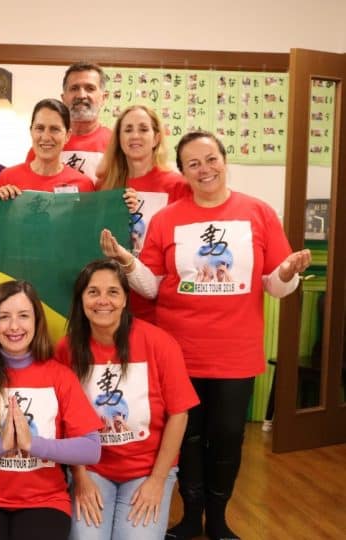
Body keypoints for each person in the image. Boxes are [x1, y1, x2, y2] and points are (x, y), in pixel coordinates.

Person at [99, 131, 312, 540]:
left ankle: (217, 517)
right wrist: (127, 262)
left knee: (228, 437)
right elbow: (151, 285)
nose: (205, 169)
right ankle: (189, 514)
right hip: (179, 351)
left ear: (224, 160)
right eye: (193, 163)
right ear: (183, 172)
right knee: (187, 438)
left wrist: (287, 274)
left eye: (211, 159)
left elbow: (275, 285)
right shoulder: (168, 218)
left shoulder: (259, 213)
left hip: (237, 352)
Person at [0, 280, 102, 540]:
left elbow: (91, 449)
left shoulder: (59, 375)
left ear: (37, 321)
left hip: (45, 501)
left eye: (23, 316)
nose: (14, 326)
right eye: (4, 317)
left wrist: (32, 444)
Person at [54, 259, 198, 540]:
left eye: (113, 292)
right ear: (81, 299)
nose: (102, 301)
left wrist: (157, 481)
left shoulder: (159, 343)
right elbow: (64, 423)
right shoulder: (66, 349)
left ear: (124, 300)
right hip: (92, 469)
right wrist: (80, 478)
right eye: (93, 292)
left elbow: (180, 414)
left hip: (148, 469)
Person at [98, 105, 191, 321]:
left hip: (161, 303)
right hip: (113, 301)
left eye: (143, 129)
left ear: (156, 137)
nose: (135, 136)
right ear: (119, 138)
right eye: (128, 129)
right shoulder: (105, 186)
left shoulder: (178, 186)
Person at [0, 99, 95, 201]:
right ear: (31, 131)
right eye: (40, 128)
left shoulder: (84, 185)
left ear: (67, 135)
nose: (46, 137)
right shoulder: (7, 178)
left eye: (54, 129)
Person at [26, 62, 111, 182]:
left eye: (90, 88)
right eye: (74, 88)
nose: (81, 95)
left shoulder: (115, 144)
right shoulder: (43, 145)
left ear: (104, 98)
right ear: (63, 98)